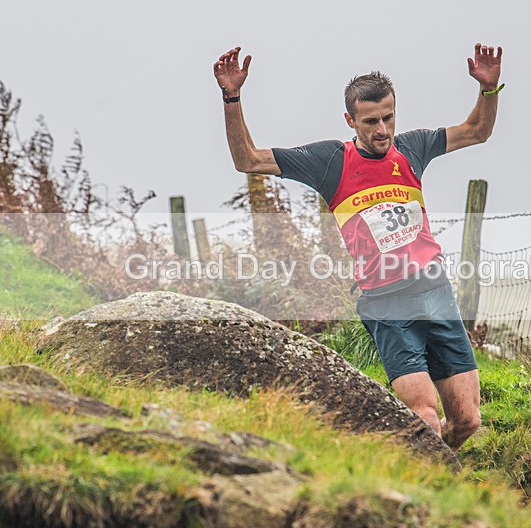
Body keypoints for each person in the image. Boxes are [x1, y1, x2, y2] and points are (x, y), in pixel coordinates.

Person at [213, 43, 503, 450]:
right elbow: (248, 160)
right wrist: (232, 97)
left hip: (436, 293)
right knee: (426, 421)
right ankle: (429, 483)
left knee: (468, 421)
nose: (382, 129)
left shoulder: (413, 147)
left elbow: (477, 131)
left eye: (388, 117)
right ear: (350, 120)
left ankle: (434, 469)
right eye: (370, 121)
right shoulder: (330, 161)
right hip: (386, 303)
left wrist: (488, 90)